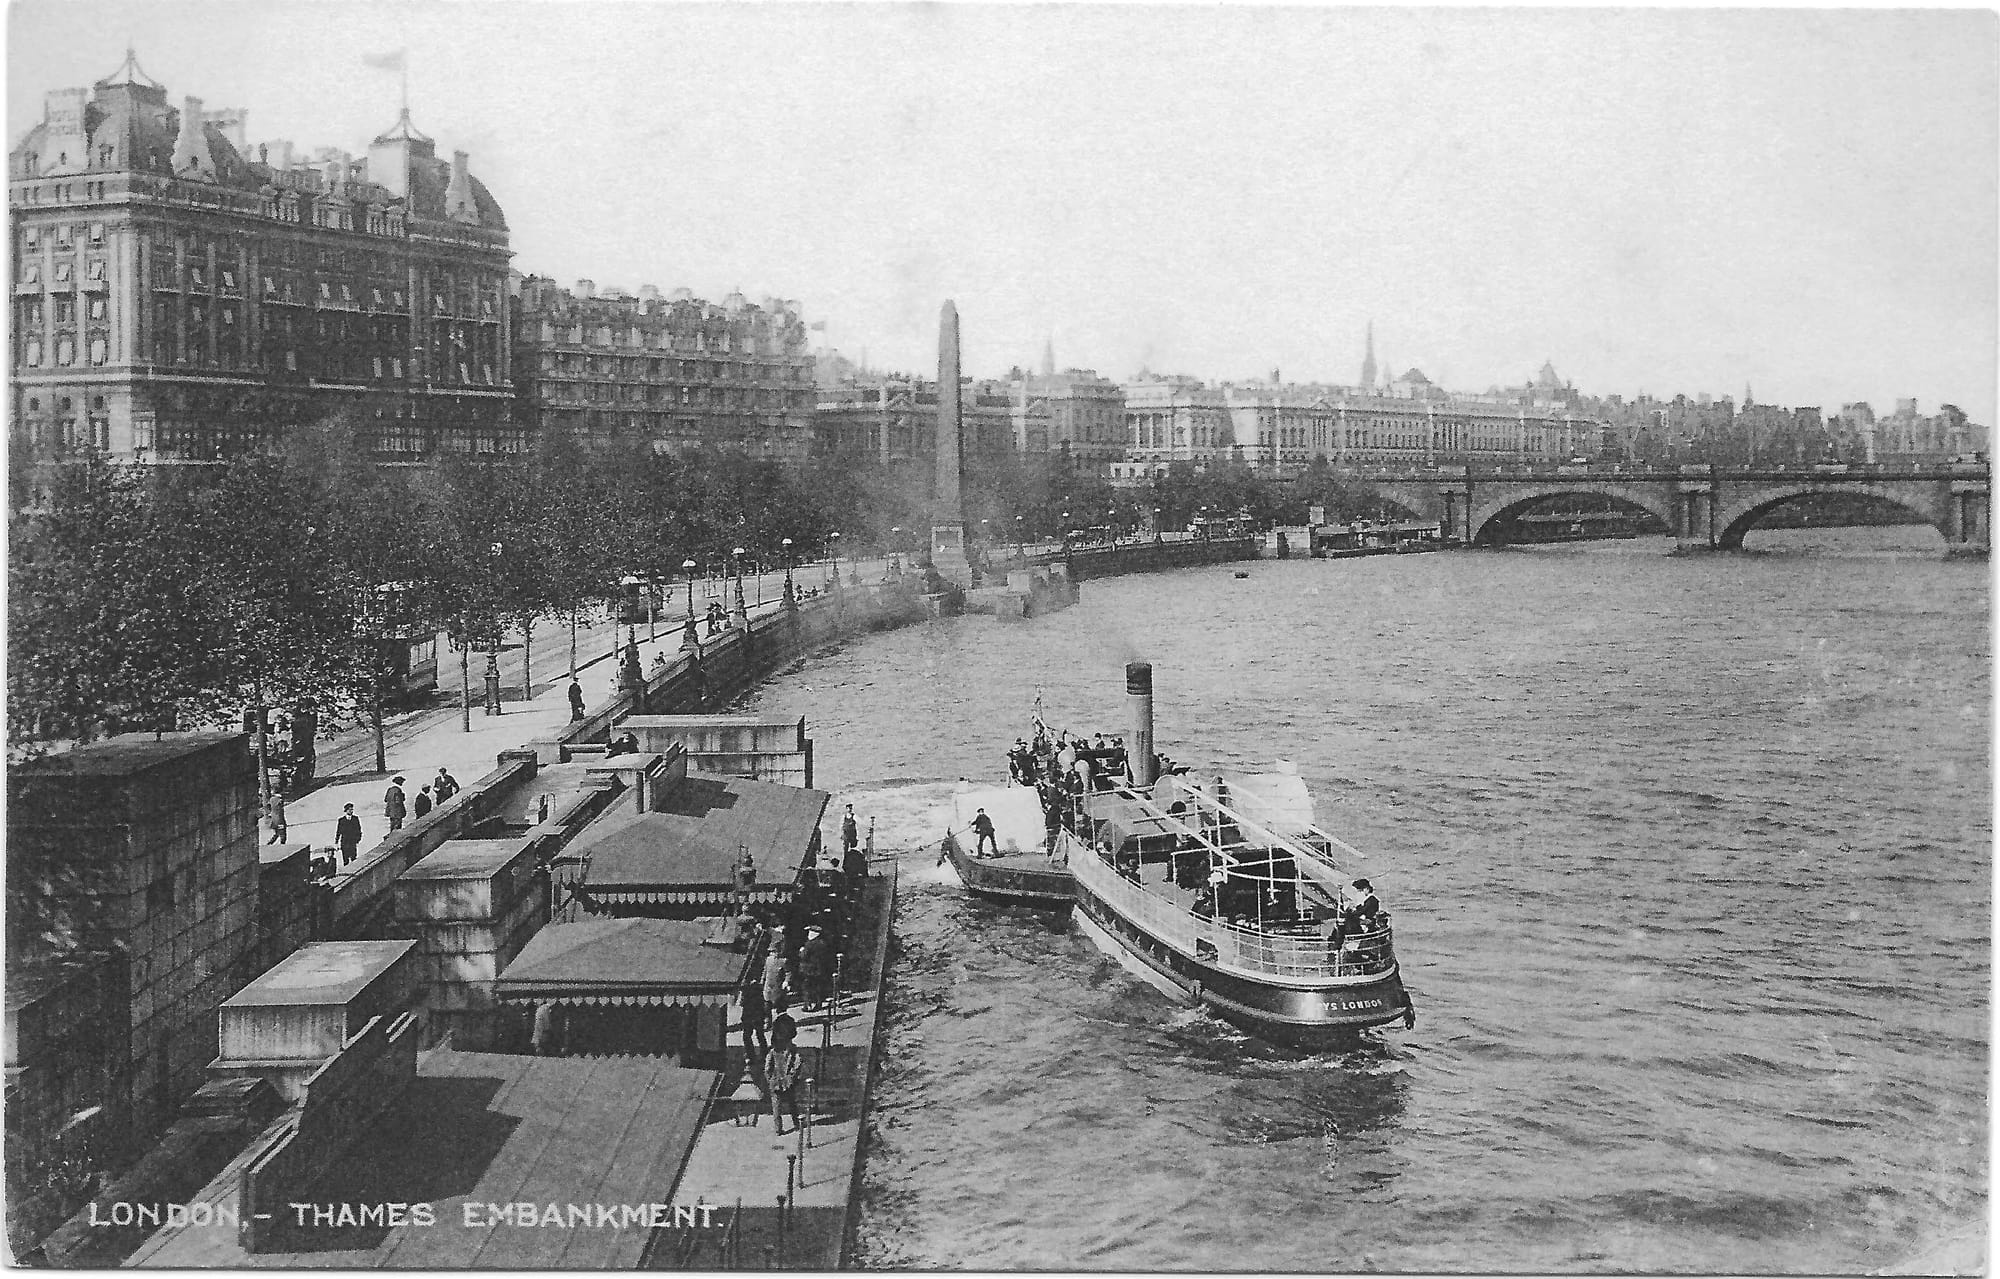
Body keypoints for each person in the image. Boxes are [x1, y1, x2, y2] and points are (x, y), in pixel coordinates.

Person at [764, 1018, 803, 1134]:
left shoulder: (774, 1052)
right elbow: (798, 1063)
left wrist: (770, 1079)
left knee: (777, 1106)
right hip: (786, 1081)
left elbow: (767, 1068)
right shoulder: (791, 1050)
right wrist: (792, 1076)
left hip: (777, 1082)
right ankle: (795, 1123)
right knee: (791, 1103)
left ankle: (779, 1129)